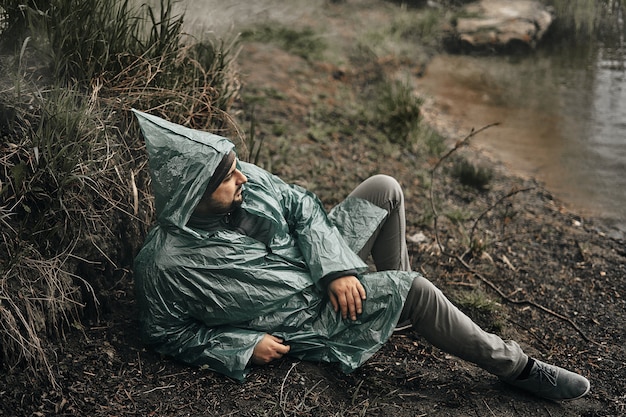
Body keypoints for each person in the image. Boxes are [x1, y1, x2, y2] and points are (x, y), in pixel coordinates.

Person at [131, 110, 590, 401]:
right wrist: (242, 346)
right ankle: (518, 367)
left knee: (383, 188)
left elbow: (301, 206)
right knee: (416, 289)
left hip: (318, 269)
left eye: (236, 169)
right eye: (229, 178)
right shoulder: (166, 264)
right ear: (196, 193)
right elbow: (165, 333)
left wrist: (332, 269)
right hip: (303, 316)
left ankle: (393, 314)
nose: (244, 179)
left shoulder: (243, 176)